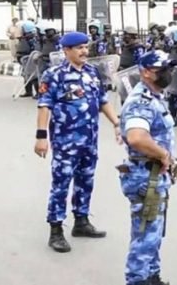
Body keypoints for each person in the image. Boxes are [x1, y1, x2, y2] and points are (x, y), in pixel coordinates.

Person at [34, 31, 121, 253]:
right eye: (79, 48)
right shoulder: (54, 75)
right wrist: (41, 137)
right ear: (66, 51)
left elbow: (102, 101)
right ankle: (55, 231)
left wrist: (116, 123)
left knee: (86, 181)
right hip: (65, 142)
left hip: (89, 141)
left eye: (85, 47)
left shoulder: (92, 72)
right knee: (61, 185)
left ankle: (81, 221)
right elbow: (44, 105)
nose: (84, 51)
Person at [118, 50, 174, 285]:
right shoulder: (141, 102)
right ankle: (137, 280)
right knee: (145, 234)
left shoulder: (155, 96)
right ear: (146, 73)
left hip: (153, 174)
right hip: (145, 176)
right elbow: (137, 138)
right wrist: (163, 154)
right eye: (162, 70)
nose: (167, 74)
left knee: (153, 232)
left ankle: (151, 276)